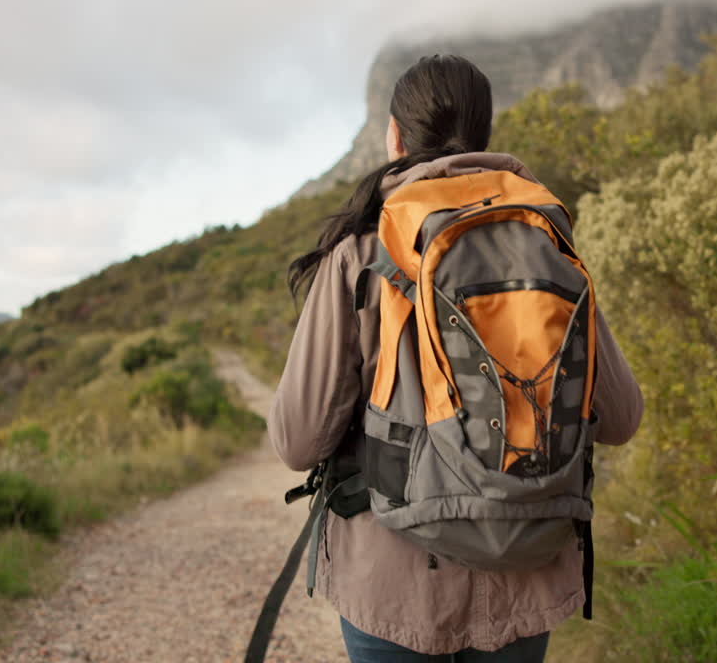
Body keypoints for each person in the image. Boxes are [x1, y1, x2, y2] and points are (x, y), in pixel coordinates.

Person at [269, 53, 643, 662]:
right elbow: (622, 417)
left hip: (396, 585)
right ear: (485, 135)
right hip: (528, 571)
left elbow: (297, 441)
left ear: (393, 136)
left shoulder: (361, 252)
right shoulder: (546, 245)